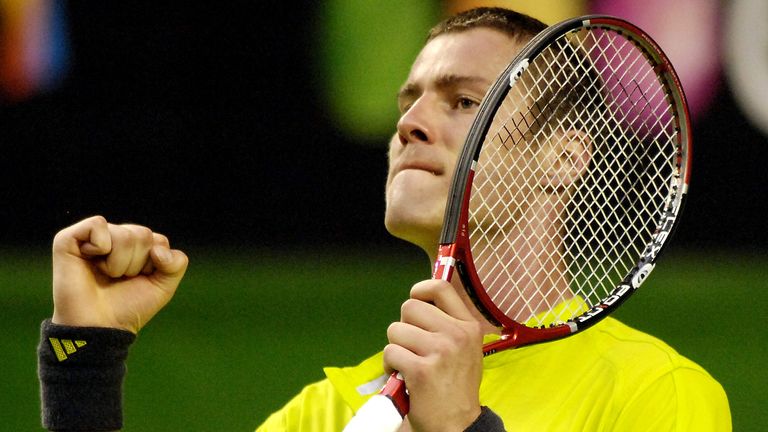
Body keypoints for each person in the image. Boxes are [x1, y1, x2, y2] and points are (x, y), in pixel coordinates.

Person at [38, 7, 731, 432]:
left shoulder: (655, 396)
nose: (412, 123)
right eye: (410, 101)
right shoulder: (326, 409)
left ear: (565, 158)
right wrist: (87, 362)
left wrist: (463, 430)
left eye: (464, 102)